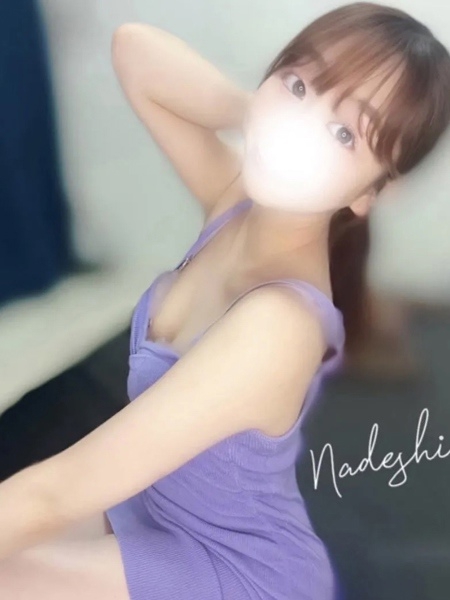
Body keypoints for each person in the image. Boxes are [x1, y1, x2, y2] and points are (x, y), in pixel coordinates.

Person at [1, 3, 450, 599]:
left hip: (234, 572)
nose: (298, 131)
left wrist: (290, 105)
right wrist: (260, 112)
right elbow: (136, 51)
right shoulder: (236, 200)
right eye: (298, 84)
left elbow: (58, 491)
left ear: (371, 192)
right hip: (158, 513)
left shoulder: (277, 325)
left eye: (344, 134)